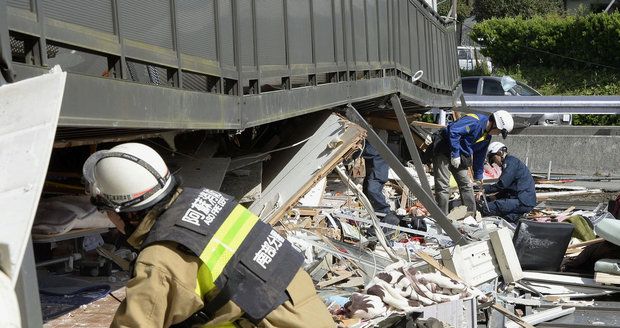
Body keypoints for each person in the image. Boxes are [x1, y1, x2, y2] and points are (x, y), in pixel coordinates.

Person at [82, 143, 334, 328]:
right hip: (306, 315)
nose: (109, 221)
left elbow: (137, 323)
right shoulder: (208, 200)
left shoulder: (160, 257)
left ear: (128, 214)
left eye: (106, 212)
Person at [432, 110, 514, 215]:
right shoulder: (474, 121)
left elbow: (480, 155)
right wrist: (455, 154)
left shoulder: (486, 136)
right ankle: (441, 216)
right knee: (443, 186)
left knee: (466, 185)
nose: (498, 134)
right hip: (444, 149)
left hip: (460, 156)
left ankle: (470, 215)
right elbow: (453, 131)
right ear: (495, 124)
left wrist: (478, 175)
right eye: (499, 131)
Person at [478, 142, 536, 222]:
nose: (495, 163)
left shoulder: (510, 163)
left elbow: (502, 184)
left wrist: (484, 190)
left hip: (521, 201)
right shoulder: (512, 163)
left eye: (493, 159)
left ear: (499, 153)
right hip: (524, 201)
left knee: (486, 208)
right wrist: (495, 197)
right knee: (506, 219)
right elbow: (509, 188)